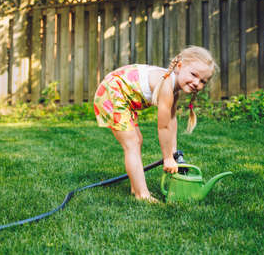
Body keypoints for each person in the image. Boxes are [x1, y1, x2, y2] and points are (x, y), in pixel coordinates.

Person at [93, 46, 216, 202]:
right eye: (193, 75)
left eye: (203, 81)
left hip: (122, 97)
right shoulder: (166, 85)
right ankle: (141, 194)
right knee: (132, 143)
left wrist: (173, 153)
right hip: (112, 93)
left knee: (137, 140)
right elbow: (163, 126)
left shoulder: (173, 89)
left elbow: (172, 121)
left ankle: (136, 187)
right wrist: (167, 158)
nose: (196, 82)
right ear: (179, 66)